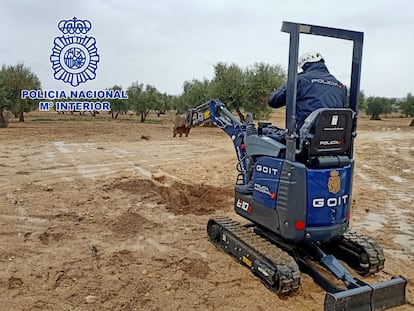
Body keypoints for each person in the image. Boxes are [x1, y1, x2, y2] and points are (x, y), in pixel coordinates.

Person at [268, 51, 347, 133]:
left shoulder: (300, 80)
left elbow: (273, 101)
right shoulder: (340, 86)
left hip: (304, 138)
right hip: (333, 138)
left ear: (304, 65)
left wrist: (293, 79)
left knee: (263, 132)